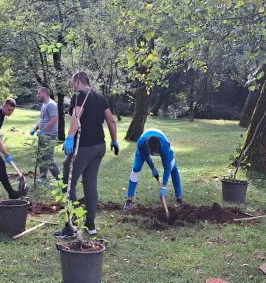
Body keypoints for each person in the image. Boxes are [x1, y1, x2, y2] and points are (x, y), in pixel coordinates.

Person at [54, 71, 119, 238]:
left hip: (83, 147)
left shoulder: (80, 95)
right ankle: (90, 225)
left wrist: (69, 137)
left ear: (77, 82)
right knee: (90, 184)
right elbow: (111, 120)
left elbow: (76, 116)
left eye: (72, 83)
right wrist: (114, 140)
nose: (72, 86)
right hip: (100, 146)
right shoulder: (100, 97)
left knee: (68, 184)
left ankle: (71, 227)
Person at [123, 128, 184, 210]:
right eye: (152, 152)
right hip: (144, 145)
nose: (154, 154)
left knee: (173, 168)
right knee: (136, 168)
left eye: (155, 152)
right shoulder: (141, 143)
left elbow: (167, 167)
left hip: (162, 143)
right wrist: (152, 168)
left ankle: (179, 199)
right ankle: (129, 200)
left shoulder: (165, 146)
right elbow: (146, 157)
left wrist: (164, 186)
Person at [30, 87, 60, 184]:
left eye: (39, 93)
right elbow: (42, 120)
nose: (37, 95)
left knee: (48, 158)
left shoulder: (51, 104)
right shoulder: (44, 105)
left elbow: (54, 120)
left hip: (49, 135)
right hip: (44, 134)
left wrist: (43, 130)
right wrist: (35, 129)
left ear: (44, 93)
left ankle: (60, 180)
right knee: (42, 156)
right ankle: (43, 179)